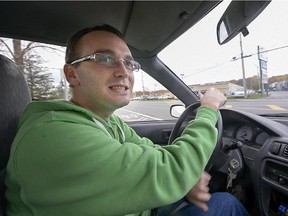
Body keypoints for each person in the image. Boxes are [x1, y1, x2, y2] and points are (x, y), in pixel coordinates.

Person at [5, 24, 249, 216]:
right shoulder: (54, 135)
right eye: (105, 58)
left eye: (129, 62)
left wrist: (187, 177)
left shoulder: (106, 122)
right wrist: (207, 108)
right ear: (72, 74)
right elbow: (172, 169)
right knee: (225, 204)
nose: (124, 70)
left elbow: (151, 152)